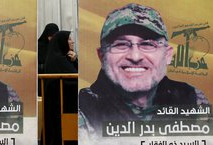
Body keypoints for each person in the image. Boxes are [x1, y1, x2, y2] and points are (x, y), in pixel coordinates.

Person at [79, 3, 210, 133]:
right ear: (102, 56)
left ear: (168, 55)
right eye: (121, 44)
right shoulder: (82, 110)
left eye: (148, 44)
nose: (135, 56)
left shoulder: (192, 99)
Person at [42, 31, 78, 145]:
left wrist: (74, 60)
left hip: (59, 108)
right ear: (62, 42)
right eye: (69, 39)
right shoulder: (58, 60)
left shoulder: (58, 58)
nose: (72, 42)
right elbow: (75, 80)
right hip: (60, 109)